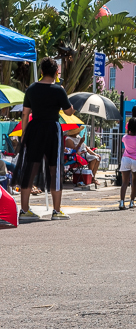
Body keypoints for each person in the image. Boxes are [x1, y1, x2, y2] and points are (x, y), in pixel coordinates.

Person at [12, 56, 75, 223]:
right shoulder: (59, 90)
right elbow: (69, 112)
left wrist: (24, 133)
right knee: (55, 169)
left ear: (41, 71)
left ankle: (24, 210)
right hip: (52, 129)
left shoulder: (31, 89)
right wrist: (69, 103)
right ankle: (57, 210)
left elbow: (25, 113)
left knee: (30, 168)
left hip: (34, 128)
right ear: (56, 72)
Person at [119, 117, 136, 209]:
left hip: (126, 159)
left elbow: (127, 139)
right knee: (134, 182)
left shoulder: (124, 137)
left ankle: (122, 202)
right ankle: (132, 202)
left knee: (124, 183)